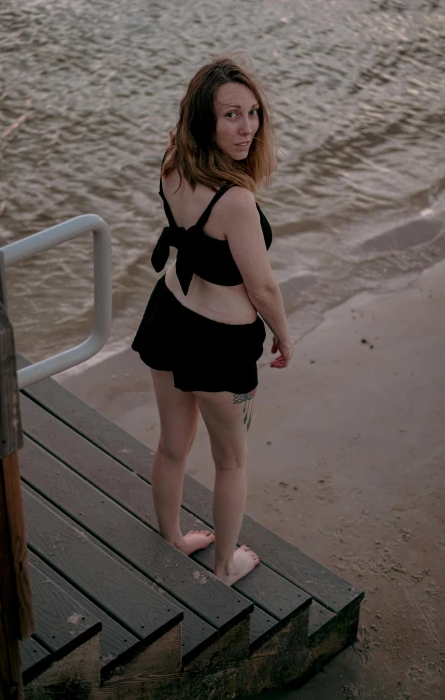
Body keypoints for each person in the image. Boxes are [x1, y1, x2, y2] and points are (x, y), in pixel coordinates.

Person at [132, 57, 294, 585]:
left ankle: (172, 539)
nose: (247, 127)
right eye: (230, 115)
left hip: (169, 315)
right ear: (205, 118)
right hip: (219, 345)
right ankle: (226, 567)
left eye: (253, 113)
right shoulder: (237, 202)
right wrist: (284, 336)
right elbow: (263, 288)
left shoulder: (174, 161)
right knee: (231, 463)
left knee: (171, 445)